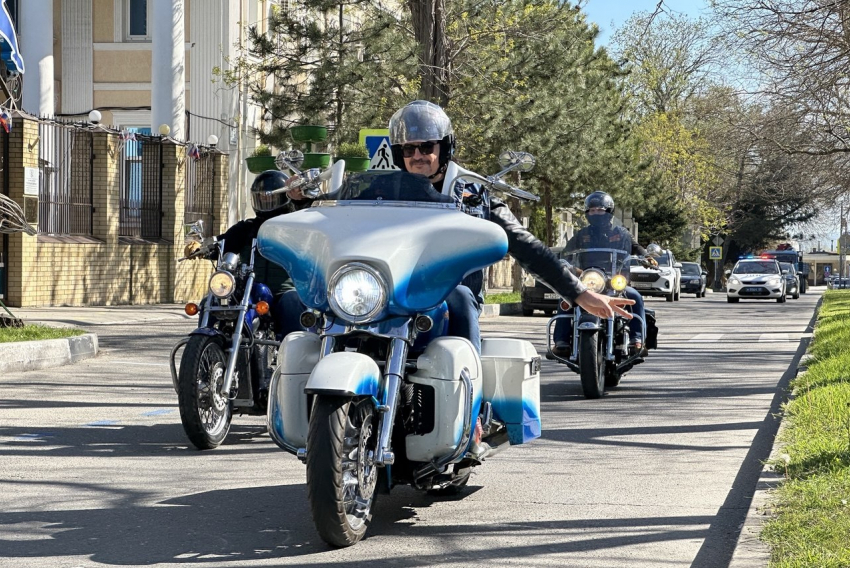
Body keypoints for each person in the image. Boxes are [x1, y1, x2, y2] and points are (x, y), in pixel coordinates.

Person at [387, 100, 634, 352]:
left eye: (426, 147)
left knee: (459, 296)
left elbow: (525, 245)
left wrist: (578, 292)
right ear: (399, 153)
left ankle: (469, 381)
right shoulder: (382, 195)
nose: (417, 156)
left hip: (447, 296)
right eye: (409, 149)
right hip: (393, 291)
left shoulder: (473, 195)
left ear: (444, 147)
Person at [183, 169, 308, 340]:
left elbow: (313, 223)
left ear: (284, 197)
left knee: (292, 303)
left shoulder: (297, 226)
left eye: (270, 197)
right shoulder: (246, 228)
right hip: (249, 288)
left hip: (283, 290)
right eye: (261, 197)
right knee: (211, 302)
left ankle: (296, 358)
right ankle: (205, 344)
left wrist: (305, 199)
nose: (266, 201)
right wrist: (202, 247)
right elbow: (224, 242)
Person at [551, 191, 651, 357]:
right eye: (592, 210)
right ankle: (560, 341)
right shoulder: (582, 235)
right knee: (566, 299)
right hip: (588, 279)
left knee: (635, 298)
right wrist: (562, 261)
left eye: (600, 210)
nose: (596, 213)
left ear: (609, 212)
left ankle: (637, 339)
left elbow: (636, 248)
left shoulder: (622, 233)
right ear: (587, 213)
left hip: (614, 280)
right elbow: (567, 253)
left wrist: (646, 257)